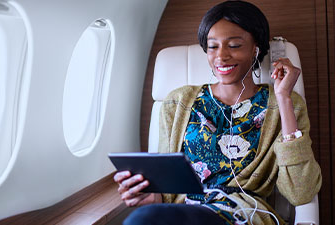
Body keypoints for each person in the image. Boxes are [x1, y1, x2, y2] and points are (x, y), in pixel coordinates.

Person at [113, 1, 322, 224]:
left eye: (234, 45)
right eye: (213, 46)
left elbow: (301, 192)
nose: (221, 56)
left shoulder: (284, 103)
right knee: (143, 217)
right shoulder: (178, 102)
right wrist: (152, 195)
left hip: (241, 216)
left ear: (256, 48)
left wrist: (284, 98)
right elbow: (168, 190)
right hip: (184, 213)